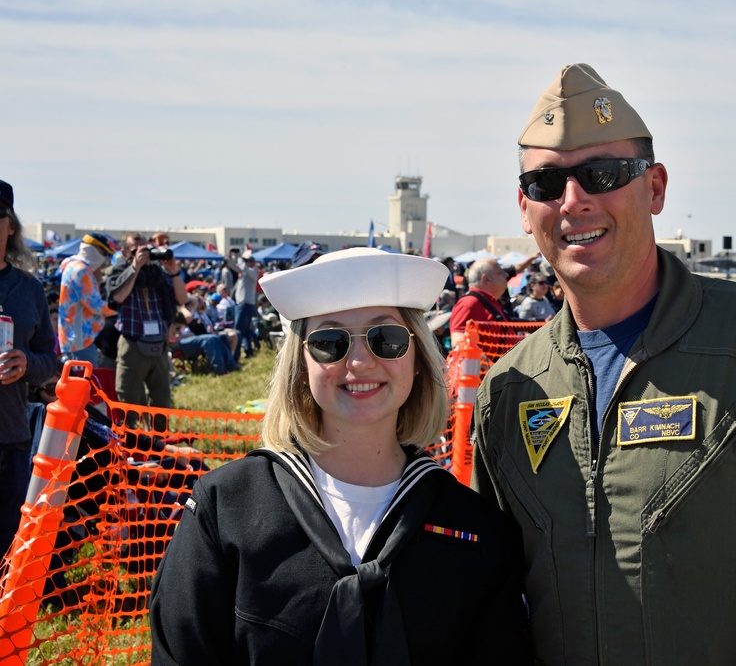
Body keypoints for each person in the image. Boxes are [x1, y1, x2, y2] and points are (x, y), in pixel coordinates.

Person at [471, 63, 736, 665]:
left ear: (655, 188)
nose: (574, 201)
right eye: (547, 184)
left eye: (603, 174)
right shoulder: (510, 389)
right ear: (525, 209)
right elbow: (492, 599)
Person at [149, 247, 530, 665]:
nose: (361, 361)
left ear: (419, 358)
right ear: (301, 365)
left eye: (387, 338)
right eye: (330, 341)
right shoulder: (225, 508)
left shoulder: (477, 530)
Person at [0, 178, 60, 560]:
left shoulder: (28, 289)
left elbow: (50, 361)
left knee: (7, 537)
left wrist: (26, 364)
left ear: (10, 226)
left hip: (10, 434)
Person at [106, 232, 187, 409]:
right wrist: (135, 267)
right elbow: (118, 296)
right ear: (126, 252)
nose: (144, 254)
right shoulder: (119, 272)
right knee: (129, 401)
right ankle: (132, 436)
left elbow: (181, 299)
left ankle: (158, 436)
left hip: (158, 343)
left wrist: (174, 272)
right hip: (132, 342)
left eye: (146, 249)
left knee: (162, 401)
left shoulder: (157, 274)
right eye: (137, 250)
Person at [57, 233, 119, 365]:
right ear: (93, 250)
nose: (104, 259)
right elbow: (96, 306)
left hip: (73, 339)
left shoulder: (72, 265)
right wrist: (118, 309)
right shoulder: (81, 270)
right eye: (103, 252)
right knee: (86, 383)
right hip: (80, 341)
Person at [448, 257, 510, 348]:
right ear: (486, 279)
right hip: (493, 362)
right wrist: (486, 362)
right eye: (500, 272)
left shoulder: (490, 301)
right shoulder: (469, 303)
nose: (506, 274)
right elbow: (459, 342)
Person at [232, 251, 261, 358]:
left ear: (251, 262)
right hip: (244, 304)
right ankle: (249, 351)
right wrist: (232, 257)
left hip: (245, 305)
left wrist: (239, 257)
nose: (244, 263)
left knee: (238, 330)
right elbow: (235, 266)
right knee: (246, 330)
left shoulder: (253, 272)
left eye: (246, 261)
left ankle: (235, 355)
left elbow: (243, 267)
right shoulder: (246, 272)